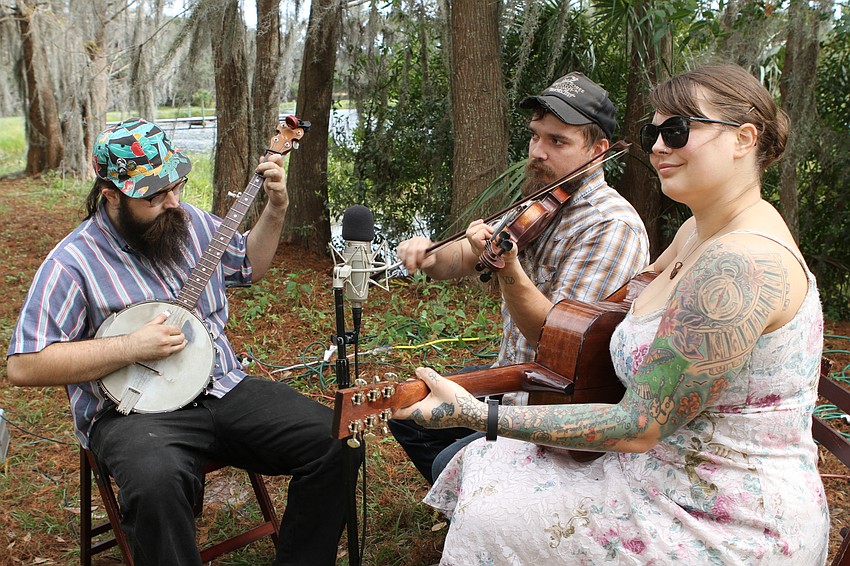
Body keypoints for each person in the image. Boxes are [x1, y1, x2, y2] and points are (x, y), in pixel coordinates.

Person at [394, 64, 829, 564]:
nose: (659, 147)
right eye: (653, 132)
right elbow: (607, 323)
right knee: (489, 472)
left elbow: (640, 423)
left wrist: (476, 414)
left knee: (494, 505)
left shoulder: (741, 265)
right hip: (658, 472)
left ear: (743, 139)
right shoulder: (695, 234)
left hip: (721, 517)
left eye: (678, 130)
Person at [6, 118, 353, 566]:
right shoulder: (71, 263)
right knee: (155, 486)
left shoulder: (187, 222)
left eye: (177, 186)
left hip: (225, 388)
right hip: (135, 413)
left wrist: (275, 209)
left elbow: (250, 267)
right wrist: (129, 347)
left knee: (337, 441)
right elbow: (24, 365)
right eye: (154, 195)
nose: (173, 202)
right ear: (111, 195)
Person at [389, 71, 650, 484]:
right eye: (535, 137)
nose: (538, 152)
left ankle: (487, 500)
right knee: (409, 414)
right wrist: (429, 255)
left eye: (557, 141)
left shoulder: (610, 227)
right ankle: (474, 505)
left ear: (599, 150)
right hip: (512, 378)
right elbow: (462, 256)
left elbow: (554, 341)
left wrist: (508, 268)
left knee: (448, 464)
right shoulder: (542, 200)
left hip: (551, 407)